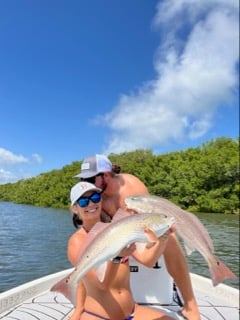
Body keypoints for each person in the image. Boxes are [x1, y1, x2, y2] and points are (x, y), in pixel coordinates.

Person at [74, 154, 201, 320]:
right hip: (115, 235)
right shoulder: (95, 196)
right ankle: (82, 305)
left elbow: (151, 221)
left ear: (105, 175)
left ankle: (190, 306)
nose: (86, 184)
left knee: (170, 239)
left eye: (90, 179)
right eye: (84, 179)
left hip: (139, 229)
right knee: (85, 247)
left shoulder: (132, 187)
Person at [68, 181, 174, 320]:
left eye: (95, 198)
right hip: (100, 315)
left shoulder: (120, 230)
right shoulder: (77, 242)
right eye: (83, 201)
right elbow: (103, 286)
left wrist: (163, 239)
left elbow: (148, 261)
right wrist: (117, 258)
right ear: (75, 209)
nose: (91, 204)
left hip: (131, 312)